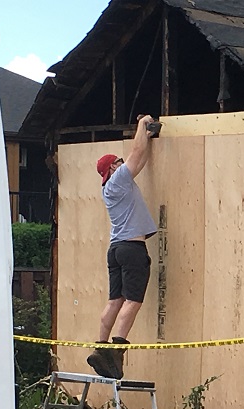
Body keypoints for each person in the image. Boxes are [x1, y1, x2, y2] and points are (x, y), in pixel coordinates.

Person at [86, 114, 158, 379]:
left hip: (116, 248)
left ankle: (100, 347)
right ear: (111, 169)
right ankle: (116, 353)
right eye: (117, 162)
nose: (122, 163)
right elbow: (137, 154)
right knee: (134, 299)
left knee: (114, 300)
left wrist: (147, 136)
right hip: (131, 248)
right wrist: (142, 125)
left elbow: (140, 157)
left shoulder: (112, 188)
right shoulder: (117, 181)